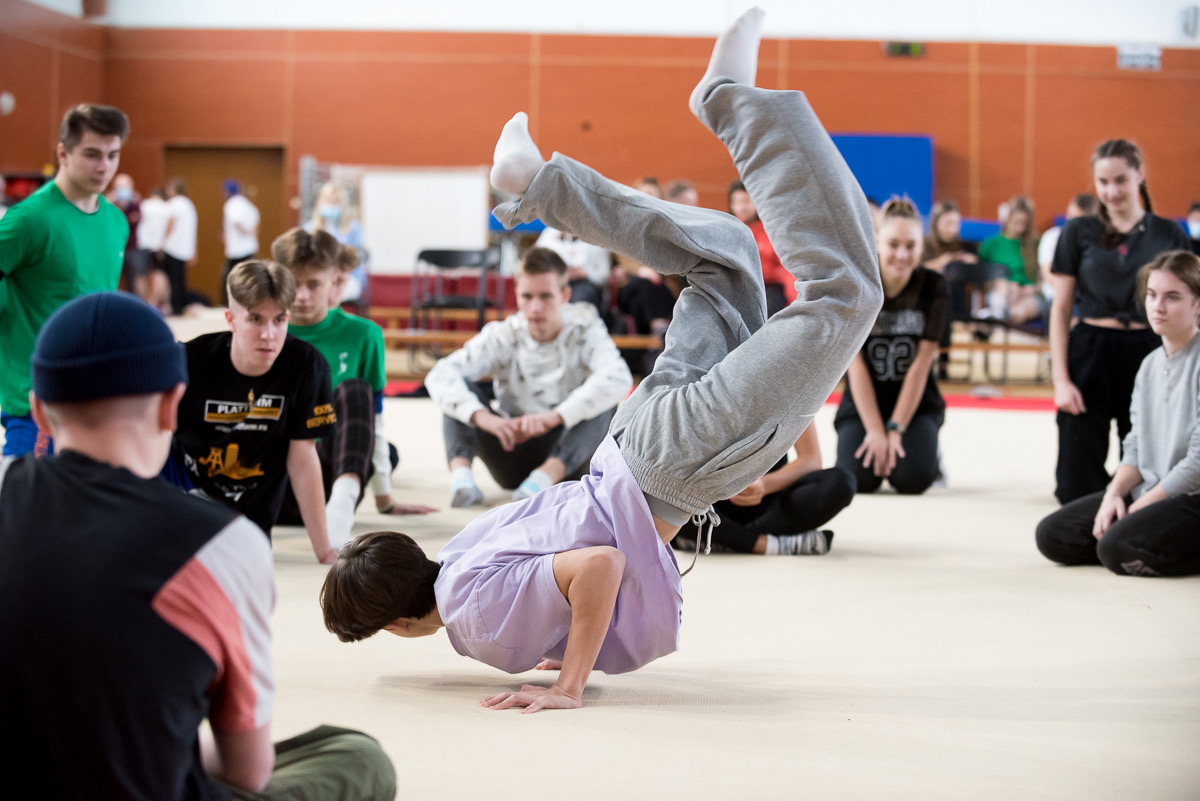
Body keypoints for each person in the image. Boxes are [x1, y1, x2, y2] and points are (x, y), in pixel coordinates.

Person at [320, 8, 882, 713]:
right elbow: (570, 556)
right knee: (726, 257)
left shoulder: (472, 618)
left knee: (846, 293)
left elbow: (600, 565)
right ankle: (544, 183)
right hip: (635, 445)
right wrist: (561, 635)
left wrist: (568, 684)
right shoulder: (457, 553)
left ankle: (732, 105)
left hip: (665, 463)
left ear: (398, 626)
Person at [0, 291, 396, 800]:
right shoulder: (225, 545)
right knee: (355, 757)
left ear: (38, 410)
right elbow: (245, 770)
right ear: (172, 405)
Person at [425, 246, 633, 505]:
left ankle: (542, 480)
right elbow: (440, 374)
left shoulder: (586, 328)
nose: (535, 307)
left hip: (566, 457)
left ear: (565, 295)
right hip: (510, 444)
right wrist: (484, 418)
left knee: (605, 402)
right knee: (459, 392)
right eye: (527, 296)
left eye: (545, 296)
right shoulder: (503, 334)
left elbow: (618, 377)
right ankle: (462, 480)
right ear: (517, 295)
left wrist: (554, 417)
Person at [1035, 250, 1200, 576]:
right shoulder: (1149, 365)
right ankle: (1136, 538)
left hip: (1191, 498)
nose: (1158, 306)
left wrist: (1140, 508)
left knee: (1114, 547)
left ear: (1198, 305)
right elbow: (1136, 445)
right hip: (1153, 490)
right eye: (1152, 295)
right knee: (1053, 535)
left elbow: (1197, 464)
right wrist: (1114, 494)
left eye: (1172, 297)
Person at [168, 260, 340, 564]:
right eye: (256, 320)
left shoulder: (305, 365)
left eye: (279, 320)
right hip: (184, 498)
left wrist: (324, 550)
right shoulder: (188, 359)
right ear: (231, 319)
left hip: (250, 516)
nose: (269, 334)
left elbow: (303, 458)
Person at [271, 228, 435, 547]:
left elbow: (375, 417)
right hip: (272, 483)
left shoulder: (364, 334)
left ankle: (342, 504)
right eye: (294, 284)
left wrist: (384, 498)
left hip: (328, 481)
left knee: (355, 390)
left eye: (313, 285)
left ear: (334, 281)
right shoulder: (265, 331)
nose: (301, 296)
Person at [1049, 139, 1190, 504]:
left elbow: (1189, 303)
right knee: (1074, 488)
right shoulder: (1077, 231)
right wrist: (1061, 380)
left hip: (1150, 351)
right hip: (1089, 352)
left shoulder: (1168, 233)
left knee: (1151, 471)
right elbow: (1061, 309)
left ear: (1139, 175)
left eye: (1121, 180)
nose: (1112, 191)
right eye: (1103, 182)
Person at [0, 103, 129, 461]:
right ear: (63, 153)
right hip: (37, 405)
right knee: (26, 497)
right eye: (91, 154)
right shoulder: (28, 220)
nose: (104, 166)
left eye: (112, 155)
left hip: (93, 400)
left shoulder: (116, 221)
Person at [835, 198, 948, 495]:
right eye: (893, 244)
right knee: (857, 479)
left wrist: (896, 428)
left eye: (911, 246)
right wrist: (874, 430)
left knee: (911, 479)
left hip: (916, 405)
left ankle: (929, 449)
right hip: (862, 403)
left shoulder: (934, 286)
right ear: (877, 242)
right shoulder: (859, 286)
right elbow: (854, 364)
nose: (902, 254)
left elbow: (922, 363)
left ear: (921, 247)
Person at [672, 425, 854, 555]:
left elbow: (810, 459)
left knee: (841, 482)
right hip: (711, 505)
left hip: (771, 504)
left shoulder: (790, 387)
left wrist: (765, 485)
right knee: (670, 493)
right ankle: (765, 545)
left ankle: (722, 540)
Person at [729, 179, 795, 316]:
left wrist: (794, 300)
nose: (741, 207)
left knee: (768, 307)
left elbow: (785, 268)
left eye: (746, 201)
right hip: (738, 287)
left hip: (769, 287)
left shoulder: (771, 230)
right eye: (736, 202)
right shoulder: (728, 229)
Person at [978, 195, 1042, 324]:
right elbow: (981, 281)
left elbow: (1044, 280)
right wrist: (1003, 286)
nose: (1021, 227)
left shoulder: (1036, 243)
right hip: (1001, 292)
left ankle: (995, 318)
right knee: (1002, 292)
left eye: (1025, 223)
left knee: (1019, 311)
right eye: (1017, 222)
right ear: (1008, 219)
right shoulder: (991, 244)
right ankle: (998, 316)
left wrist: (1028, 290)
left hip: (1029, 295)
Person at [307, 182, 366, 303]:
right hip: (317, 276)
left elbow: (356, 260)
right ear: (319, 202)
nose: (331, 204)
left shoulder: (354, 228)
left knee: (331, 291)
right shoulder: (308, 229)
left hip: (348, 277)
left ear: (343, 204)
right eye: (328, 200)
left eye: (336, 201)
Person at [536, 225, 612, 315]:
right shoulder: (549, 235)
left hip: (584, 285)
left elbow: (605, 276)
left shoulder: (597, 238)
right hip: (554, 282)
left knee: (581, 300)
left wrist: (585, 273)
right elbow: (536, 262)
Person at [1037, 193, 1098, 302]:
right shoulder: (1053, 237)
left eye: (1076, 218)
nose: (1070, 222)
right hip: (1056, 297)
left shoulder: (1097, 240)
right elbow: (1049, 275)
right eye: (1070, 215)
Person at [161, 175, 198, 314]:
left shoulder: (174, 203)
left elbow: (170, 224)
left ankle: (174, 306)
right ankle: (180, 305)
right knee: (180, 280)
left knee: (171, 280)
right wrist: (194, 250)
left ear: (174, 189)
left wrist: (162, 242)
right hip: (184, 249)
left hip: (172, 248)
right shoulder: (189, 204)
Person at [107, 172, 144, 295]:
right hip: (113, 248)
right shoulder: (108, 205)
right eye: (120, 187)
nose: (123, 190)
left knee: (134, 281)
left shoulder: (136, 205)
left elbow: (132, 223)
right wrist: (110, 202)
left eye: (125, 187)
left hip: (131, 249)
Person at [223, 178, 261, 295]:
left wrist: (245, 232)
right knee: (248, 282)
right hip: (250, 249)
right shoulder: (251, 207)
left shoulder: (232, 203)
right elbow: (256, 229)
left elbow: (236, 221)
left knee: (231, 282)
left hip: (237, 251)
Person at [137, 186, 172, 308]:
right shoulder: (166, 207)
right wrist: (163, 242)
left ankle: (145, 301)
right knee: (159, 274)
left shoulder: (144, 205)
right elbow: (170, 225)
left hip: (143, 244)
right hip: (158, 246)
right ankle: (156, 301)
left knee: (143, 276)